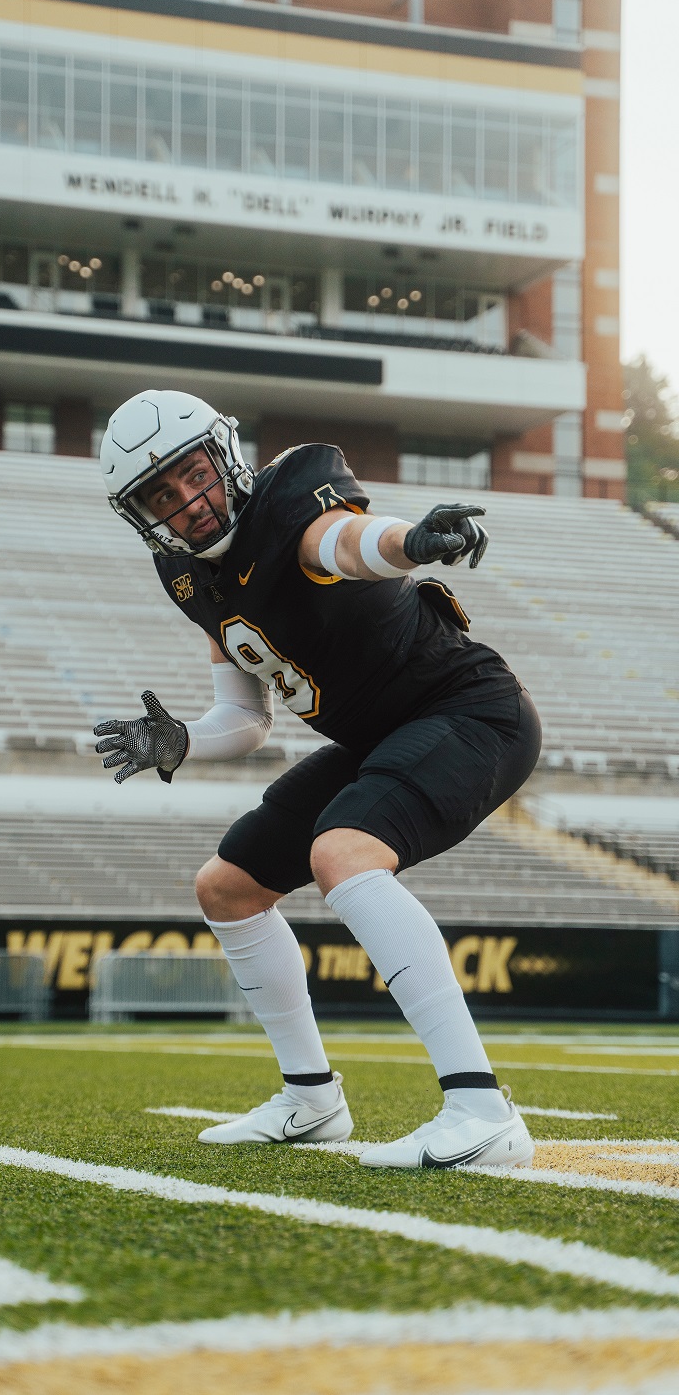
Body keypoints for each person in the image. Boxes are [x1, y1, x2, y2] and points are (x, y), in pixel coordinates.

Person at [94, 390, 541, 1169]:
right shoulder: (190, 576)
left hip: (466, 707)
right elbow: (248, 716)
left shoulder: (291, 497)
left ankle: (481, 1109)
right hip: (376, 737)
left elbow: (342, 542)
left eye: (192, 476)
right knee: (226, 885)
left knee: (344, 852)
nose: (188, 503)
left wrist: (412, 539)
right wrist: (184, 739)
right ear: (141, 514)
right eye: (161, 496)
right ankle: (311, 1099)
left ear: (224, 456)